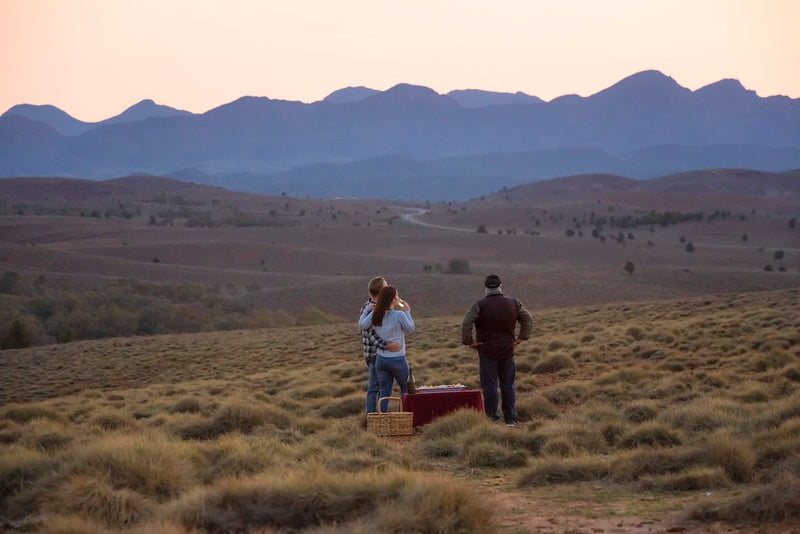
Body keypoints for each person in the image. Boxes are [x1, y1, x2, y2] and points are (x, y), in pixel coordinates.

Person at [461, 274, 532, 426]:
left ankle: (491, 418)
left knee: (490, 386)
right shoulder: (513, 303)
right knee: (508, 385)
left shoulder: (478, 305)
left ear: (485, 288)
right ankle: (510, 418)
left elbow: (466, 324)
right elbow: (527, 319)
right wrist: (521, 337)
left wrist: (470, 342)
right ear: (501, 287)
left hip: (486, 351)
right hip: (507, 349)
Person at [359, 285, 414, 412]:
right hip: (398, 359)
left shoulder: (375, 314)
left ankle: (381, 420)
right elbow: (411, 329)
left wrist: (368, 309)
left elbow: (362, 325)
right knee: (406, 389)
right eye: (397, 296)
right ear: (393, 299)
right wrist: (407, 312)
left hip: (381, 359)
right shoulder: (399, 315)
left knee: (384, 393)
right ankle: (405, 418)